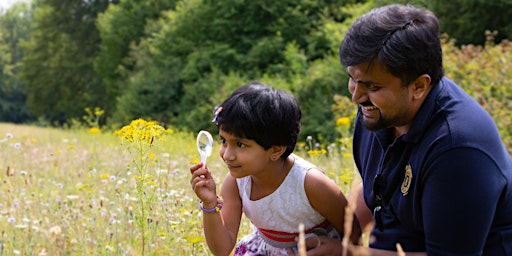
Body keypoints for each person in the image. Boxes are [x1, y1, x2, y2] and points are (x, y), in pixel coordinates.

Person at [300, 3, 512, 256]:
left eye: (372, 86)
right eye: (352, 79)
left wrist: (347, 253)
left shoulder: (458, 149)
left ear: (419, 86)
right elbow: (379, 188)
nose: (356, 96)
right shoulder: (379, 112)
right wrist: (341, 233)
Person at [189, 82, 360, 255]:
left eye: (240, 144)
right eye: (224, 141)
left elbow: (353, 233)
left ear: (276, 150)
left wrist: (343, 250)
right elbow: (222, 249)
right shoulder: (236, 182)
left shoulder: (310, 183)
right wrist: (210, 203)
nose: (227, 155)